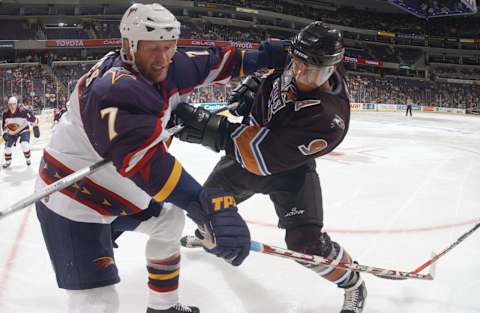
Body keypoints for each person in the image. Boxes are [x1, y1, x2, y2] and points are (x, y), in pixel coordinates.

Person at [34, 3, 289, 313]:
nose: (162, 57)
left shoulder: (164, 63)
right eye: (153, 48)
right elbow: (149, 167)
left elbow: (218, 62)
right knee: (98, 301)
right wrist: (206, 206)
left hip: (113, 186)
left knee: (168, 221)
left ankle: (163, 307)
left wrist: (263, 57)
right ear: (128, 46)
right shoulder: (114, 89)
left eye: (169, 47)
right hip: (72, 199)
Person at [174, 22, 367, 313]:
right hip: (249, 157)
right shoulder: (299, 55)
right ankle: (206, 236)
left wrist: (209, 129)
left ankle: (352, 283)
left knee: (306, 246)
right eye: (299, 64)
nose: (302, 74)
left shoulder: (328, 119)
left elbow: (261, 155)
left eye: (313, 71)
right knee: (207, 204)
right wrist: (254, 84)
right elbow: (266, 57)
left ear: (331, 69)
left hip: (287, 171)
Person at [2, 96, 39, 168]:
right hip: (12, 132)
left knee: (24, 144)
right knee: (7, 148)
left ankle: (28, 159)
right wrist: (5, 132)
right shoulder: (5, 114)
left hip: (23, 130)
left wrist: (35, 127)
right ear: (8, 105)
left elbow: (32, 119)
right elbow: (4, 125)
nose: (12, 106)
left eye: (14, 104)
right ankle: (8, 162)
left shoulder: (23, 111)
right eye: (10, 104)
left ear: (16, 104)